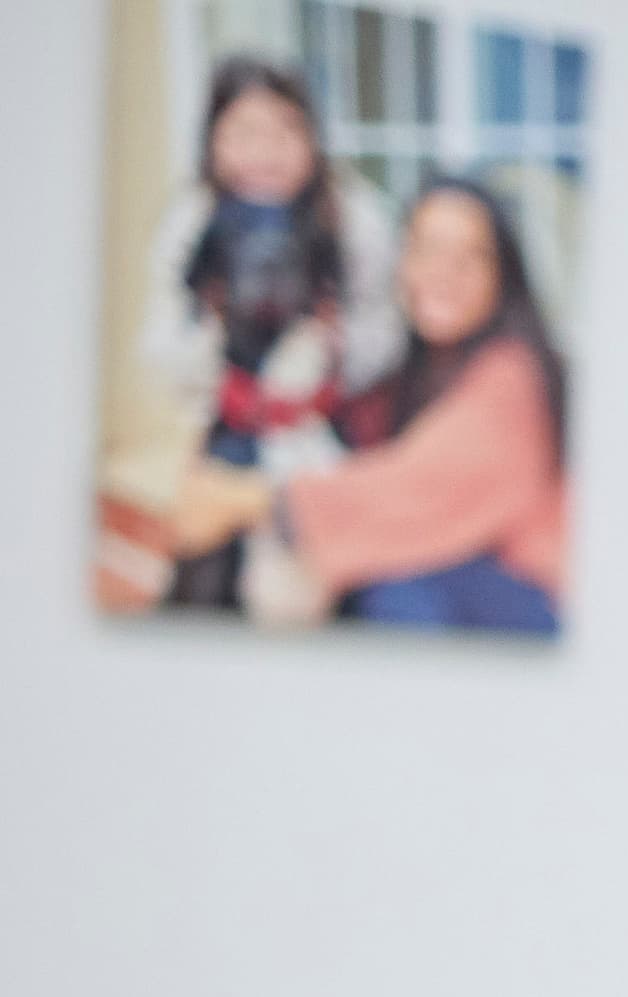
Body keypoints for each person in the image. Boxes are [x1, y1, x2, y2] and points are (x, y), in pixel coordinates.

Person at [168, 175, 571, 635]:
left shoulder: (513, 374)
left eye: (470, 257)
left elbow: (416, 485)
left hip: (536, 603)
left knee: (391, 585)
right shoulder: (416, 372)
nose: (444, 272)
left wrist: (250, 499)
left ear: (502, 276)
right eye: (427, 249)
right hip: (471, 587)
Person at [135, 54, 399, 611]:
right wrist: (207, 332)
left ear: (313, 140)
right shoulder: (193, 220)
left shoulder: (352, 217)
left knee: (339, 580)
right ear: (213, 142)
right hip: (230, 419)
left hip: (325, 421)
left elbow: (385, 332)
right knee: (200, 572)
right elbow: (161, 343)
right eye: (245, 132)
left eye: (286, 130)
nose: (266, 151)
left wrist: (333, 343)